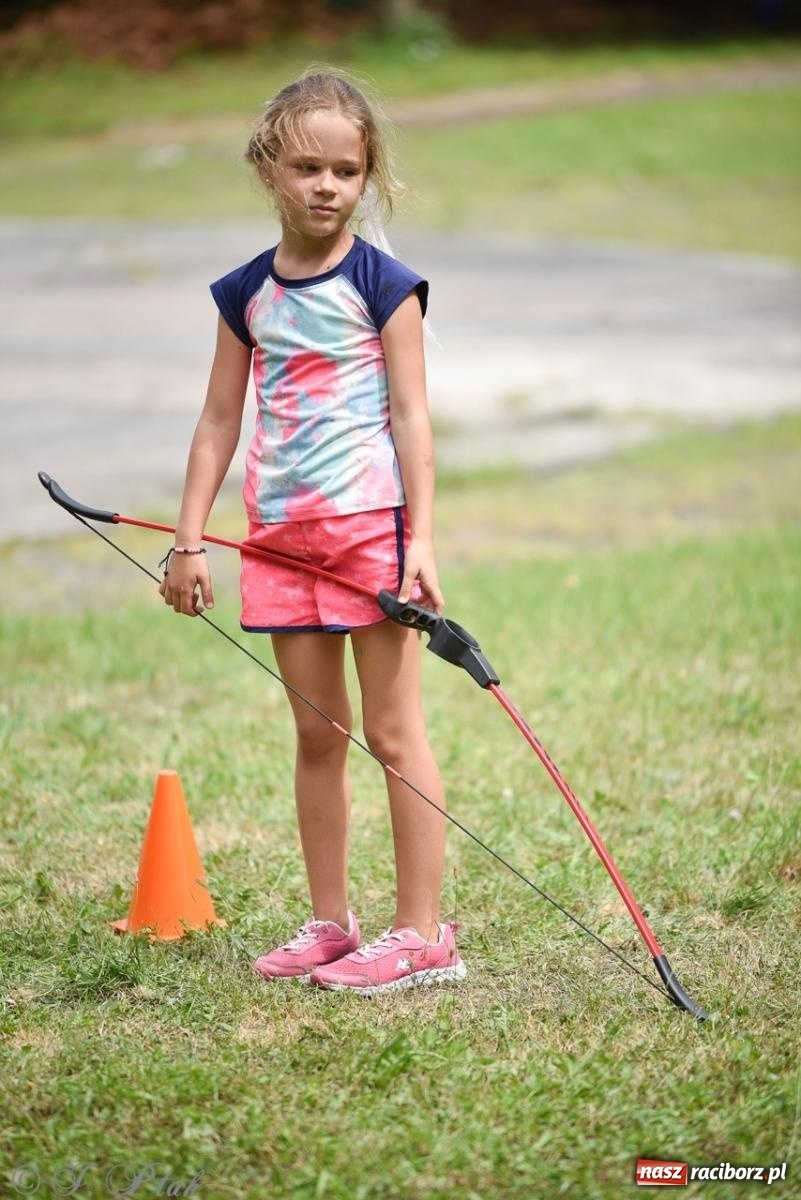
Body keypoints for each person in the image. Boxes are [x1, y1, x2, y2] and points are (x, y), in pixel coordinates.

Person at [159, 69, 466, 996]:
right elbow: (219, 421)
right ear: (268, 169)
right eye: (306, 167)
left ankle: (422, 934)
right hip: (279, 539)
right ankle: (332, 923)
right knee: (316, 732)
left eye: (346, 170)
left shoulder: (385, 284)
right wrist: (188, 539)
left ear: (366, 177)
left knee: (393, 731)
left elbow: (412, 418)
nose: (327, 186)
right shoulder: (244, 293)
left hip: (370, 532)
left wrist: (420, 541)